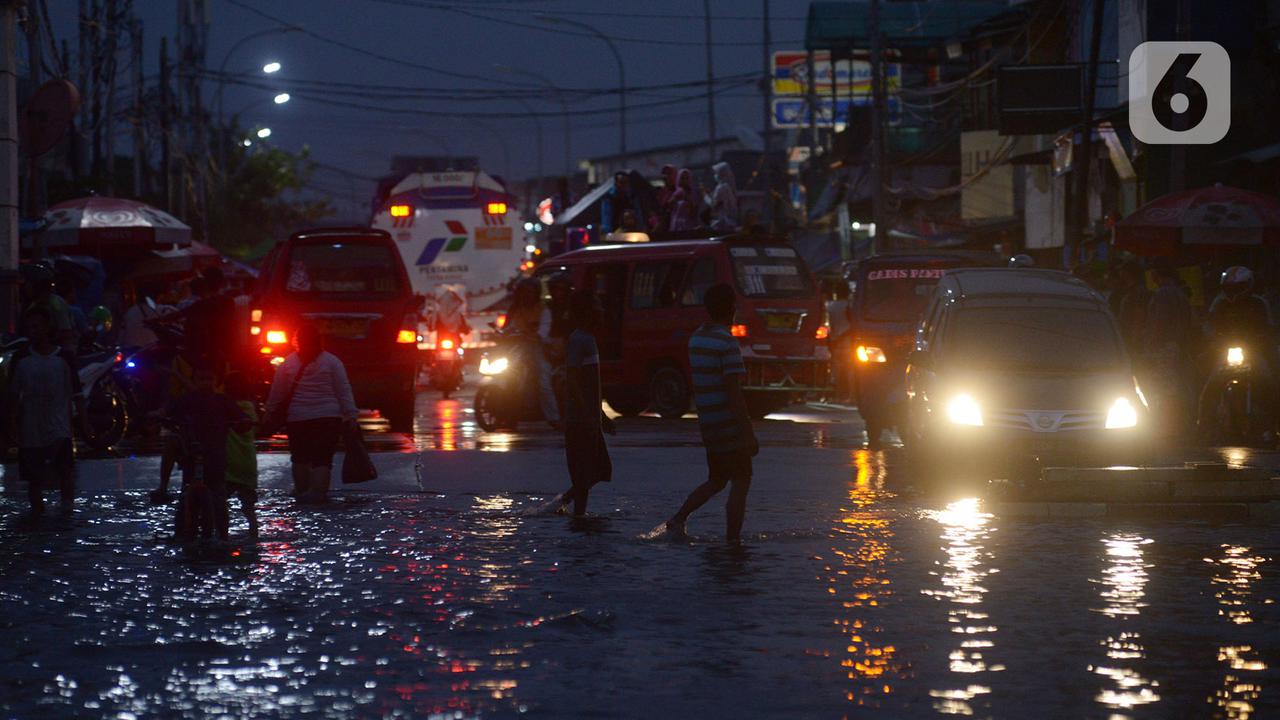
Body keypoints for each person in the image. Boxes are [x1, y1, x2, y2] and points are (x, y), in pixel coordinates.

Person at [664, 283, 758, 543]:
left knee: (716, 480)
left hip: (709, 424)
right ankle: (732, 541)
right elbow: (734, 393)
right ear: (731, 309)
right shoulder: (726, 342)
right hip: (729, 426)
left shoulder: (697, 338)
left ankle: (678, 519)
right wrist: (747, 431)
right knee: (741, 481)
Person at [264, 324, 359, 503]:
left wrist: (269, 412)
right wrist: (350, 414)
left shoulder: (288, 363)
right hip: (328, 417)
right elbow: (343, 390)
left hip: (298, 418)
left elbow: (277, 392)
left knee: (300, 457)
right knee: (322, 459)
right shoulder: (332, 361)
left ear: (297, 341)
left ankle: (302, 492)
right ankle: (319, 494)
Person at [7, 307, 84, 516]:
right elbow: (13, 396)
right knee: (34, 479)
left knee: (65, 472)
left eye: (38, 326)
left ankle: (67, 512)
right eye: (30, 327)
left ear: (48, 328)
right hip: (31, 429)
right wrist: (11, 425)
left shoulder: (64, 358)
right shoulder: (21, 359)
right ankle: (38, 514)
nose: (34, 331)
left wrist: (83, 424)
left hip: (60, 426)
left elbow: (76, 394)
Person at [168, 366, 250, 541]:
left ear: (216, 381)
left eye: (209, 378)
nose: (206, 383)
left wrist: (244, 421)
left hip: (215, 456)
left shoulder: (223, 401)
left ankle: (223, 533)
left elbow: (240, 417)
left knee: (219, 496)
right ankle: (180, 530)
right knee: (185, 493)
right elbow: (168, 412)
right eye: (201, 379)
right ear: (195, 380)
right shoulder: (185, 400)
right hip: (190, 454)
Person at [555, 290, 616, 516]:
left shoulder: (588, 339)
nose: (601, 311)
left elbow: (591, 387)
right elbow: (573, 381)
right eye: (597, 306)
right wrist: (588, 415)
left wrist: (600, 416)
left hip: (589, 418)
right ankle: (575, 515)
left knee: (599, 470)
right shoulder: (578, 339)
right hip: (580, 420)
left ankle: (565, 505)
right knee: (585, 473)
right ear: (588, 312)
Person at [1198, 266, 1277, 436]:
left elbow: (1268, 327)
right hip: (1227, 352)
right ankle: (1204, 424)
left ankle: (1271, 424)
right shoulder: (1220, 303)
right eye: (1229, 288)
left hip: (1252, 352)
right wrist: (1211, 338)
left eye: (1237, 287)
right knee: (1212, 384)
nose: (1232, 292)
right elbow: (1209, 324)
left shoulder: (1258, 303)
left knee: (1268, 380)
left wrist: (1261, 339)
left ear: (1248, 285)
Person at [224, 372, 260, 539]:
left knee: (220, 500)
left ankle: (221, 532)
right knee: (248, 506)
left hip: (229, 462)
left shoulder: (225, 408)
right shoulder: (249, 408)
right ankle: (254, 533)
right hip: (248, 463)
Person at [537, 273, 573, 428]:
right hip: (549, 348)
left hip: (569, 349)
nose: (559, 292)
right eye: (556, 289)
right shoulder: (546, 308)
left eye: (561, 289)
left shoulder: (572, 307)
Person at [120, 282, 173, 349]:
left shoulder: (129, 312)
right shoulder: (165, 310)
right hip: (155, 351)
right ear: (160, 296)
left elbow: (121, 336)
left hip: (131, 351)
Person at [668, 168, 703, 233]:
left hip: (689, 226)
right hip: (676, 226)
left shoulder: (694, 193)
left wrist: (687, 199)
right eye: (682, 178)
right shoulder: (676, 193)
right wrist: (675, 198)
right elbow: (669, 208)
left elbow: (694, 212)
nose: (684, 180)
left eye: (686, 178)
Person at [709, 161, 740, 232]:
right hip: (729, 222)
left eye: (716, 173)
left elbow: (715, 205)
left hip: (721, 223)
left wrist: (705, 197)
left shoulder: (721, 188)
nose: (715, 175)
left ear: (721, 174)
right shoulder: (728, 187)